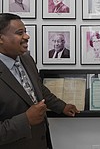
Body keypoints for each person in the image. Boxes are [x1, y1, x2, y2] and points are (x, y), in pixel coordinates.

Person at [0, 13, 79, 149]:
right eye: (20, 33)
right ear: (1, 38)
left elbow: (38, 89)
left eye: (25, 32)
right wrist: (26, 120)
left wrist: (62, 106)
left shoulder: (26, 59)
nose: (26, 36)